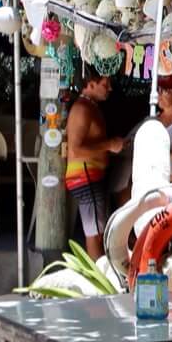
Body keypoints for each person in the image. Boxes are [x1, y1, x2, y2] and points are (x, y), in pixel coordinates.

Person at [64, 73, 124, 257]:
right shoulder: (82, 109)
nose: (110, 88)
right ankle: (97, 281)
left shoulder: (89, 106)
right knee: (95, 234)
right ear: (90, 82)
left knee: (97, 230)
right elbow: (75, 150)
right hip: (84, 176)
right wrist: (109, 145)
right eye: (105, 83)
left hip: (91, 175)